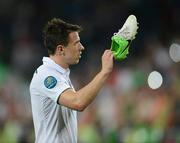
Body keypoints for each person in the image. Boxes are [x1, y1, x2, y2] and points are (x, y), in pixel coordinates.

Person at [29, 18, 114, 143]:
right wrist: (104, 72)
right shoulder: (46, 75)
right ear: (60, 49)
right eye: (76, 43)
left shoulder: (61, 75)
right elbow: (78, 102)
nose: (82, 47)